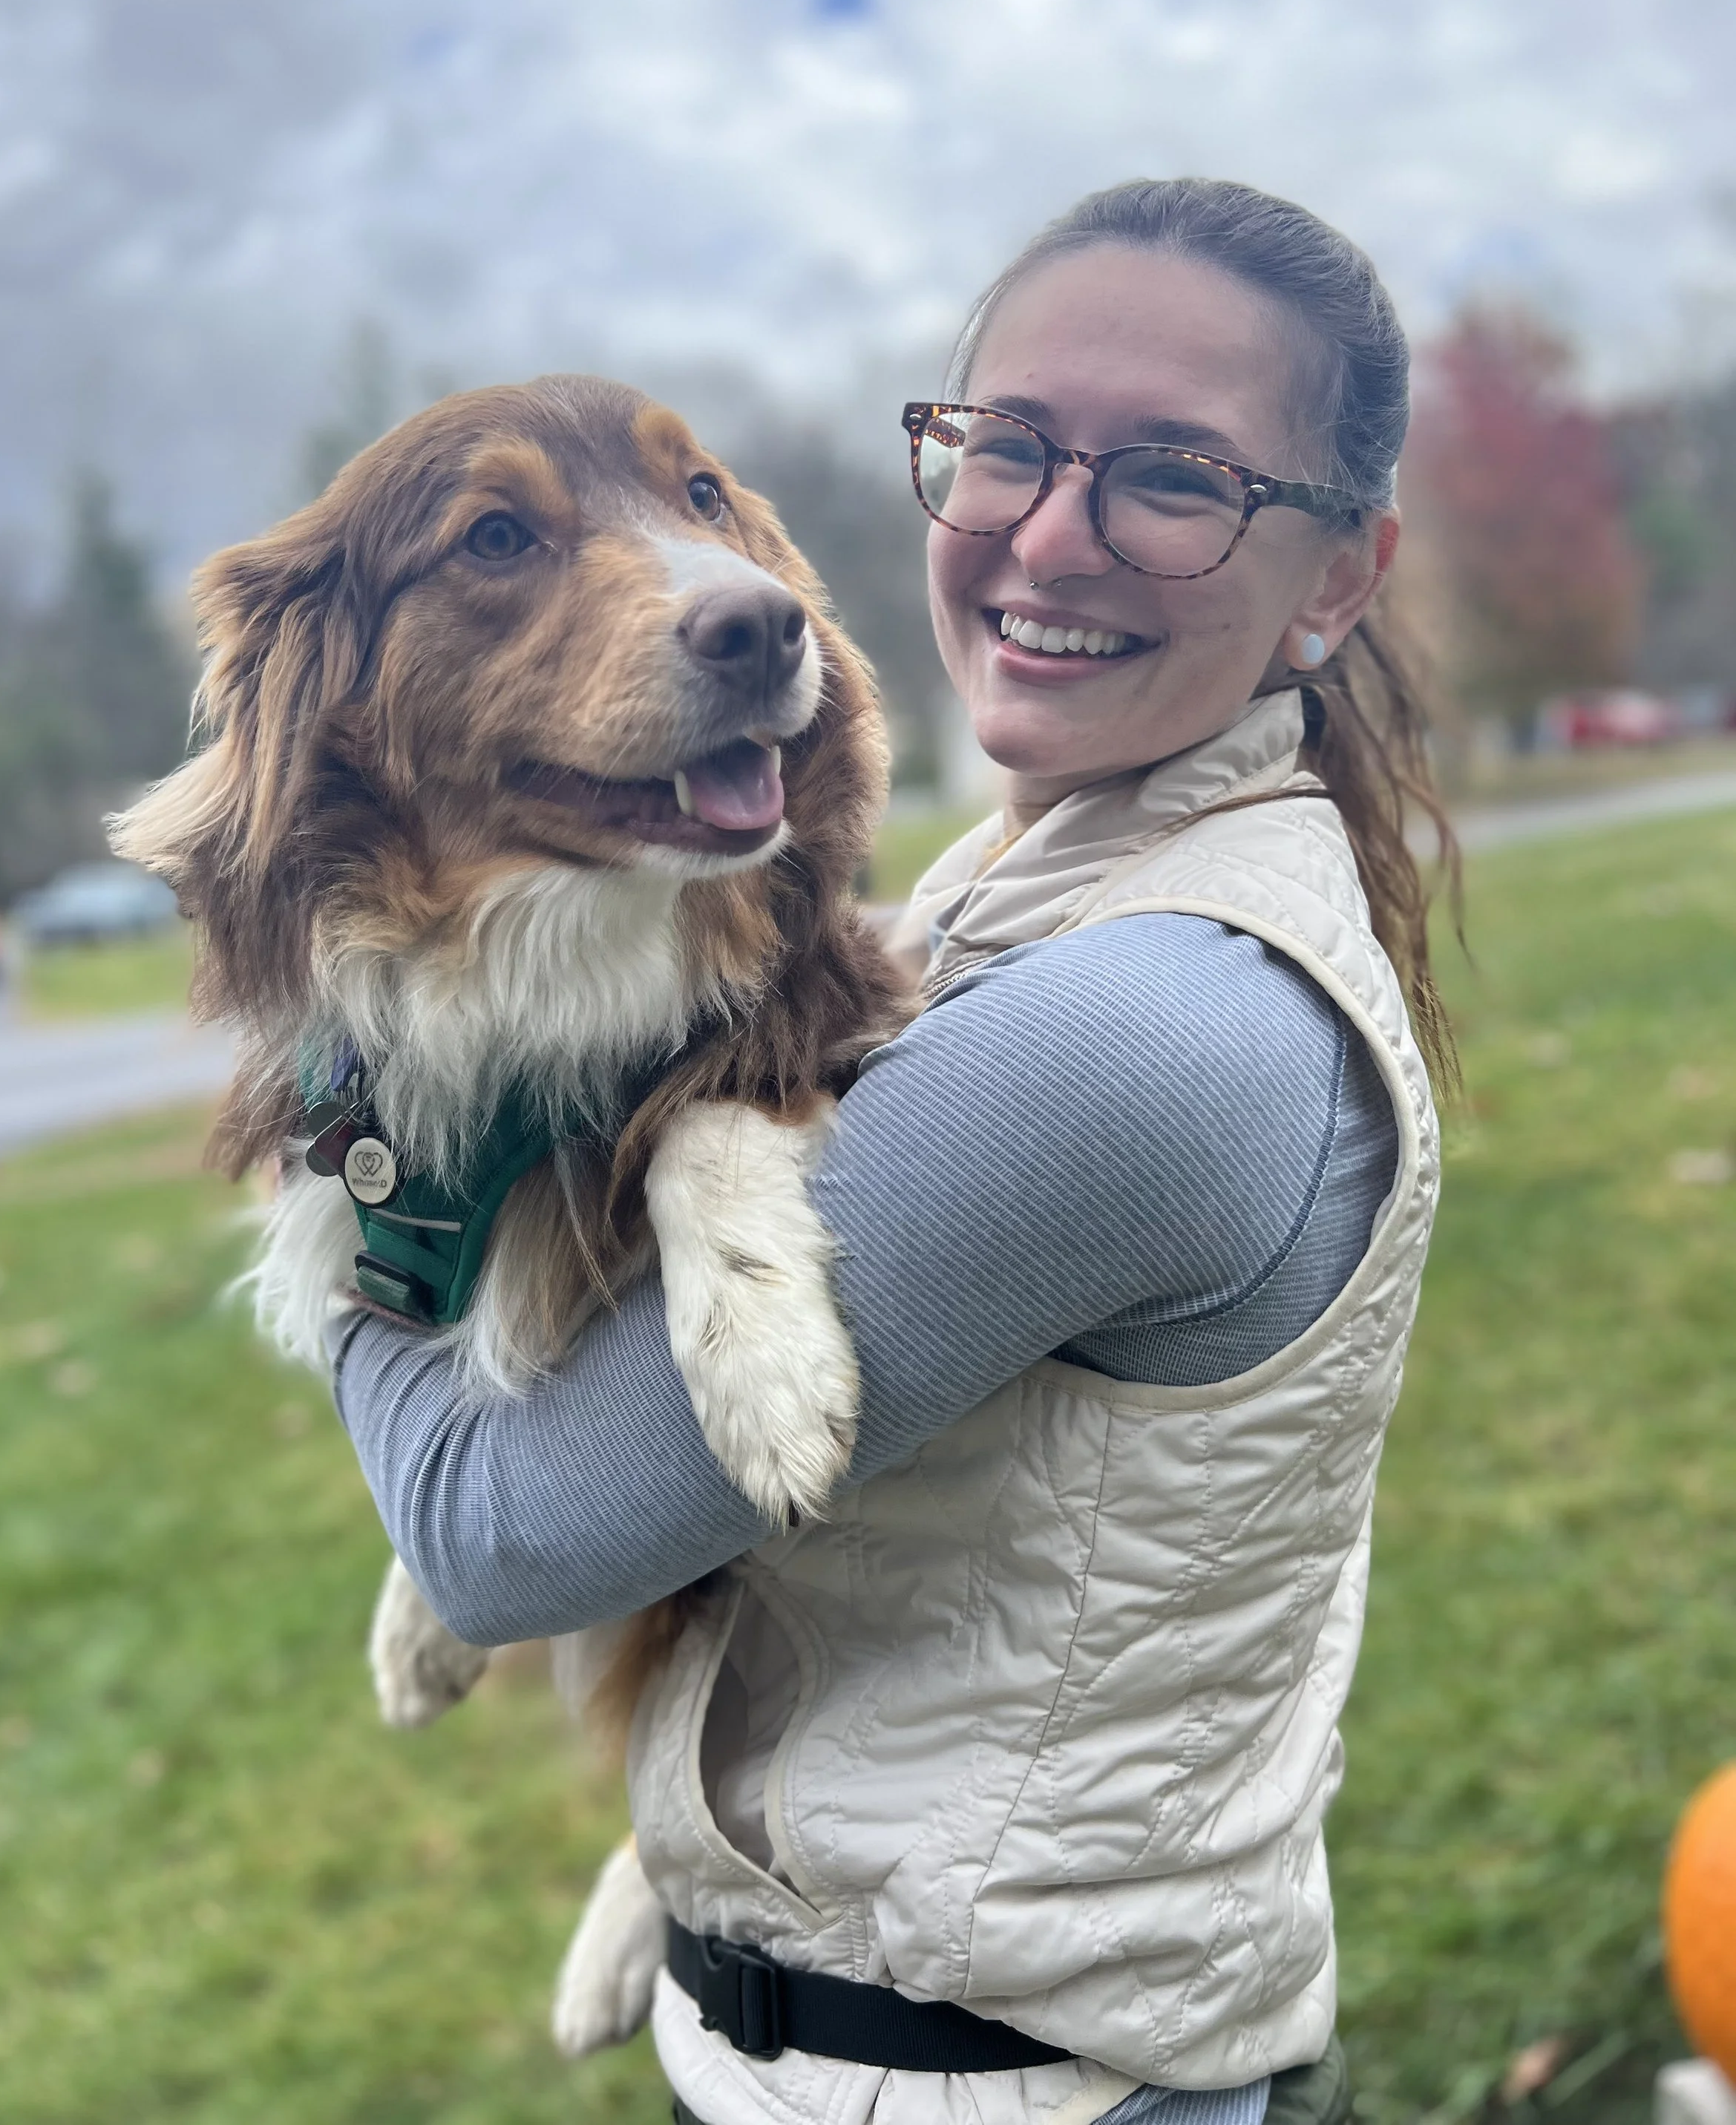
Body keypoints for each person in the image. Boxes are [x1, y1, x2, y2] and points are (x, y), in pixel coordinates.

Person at [328, 177, 1456, 2125]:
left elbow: (502, 1529)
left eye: (1171, 477)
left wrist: (342, 1126)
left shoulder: (1148, 1025)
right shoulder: (1030, 879)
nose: (1045, 531)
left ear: (1337, 575)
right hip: (874, 2019)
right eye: (1006, 446)